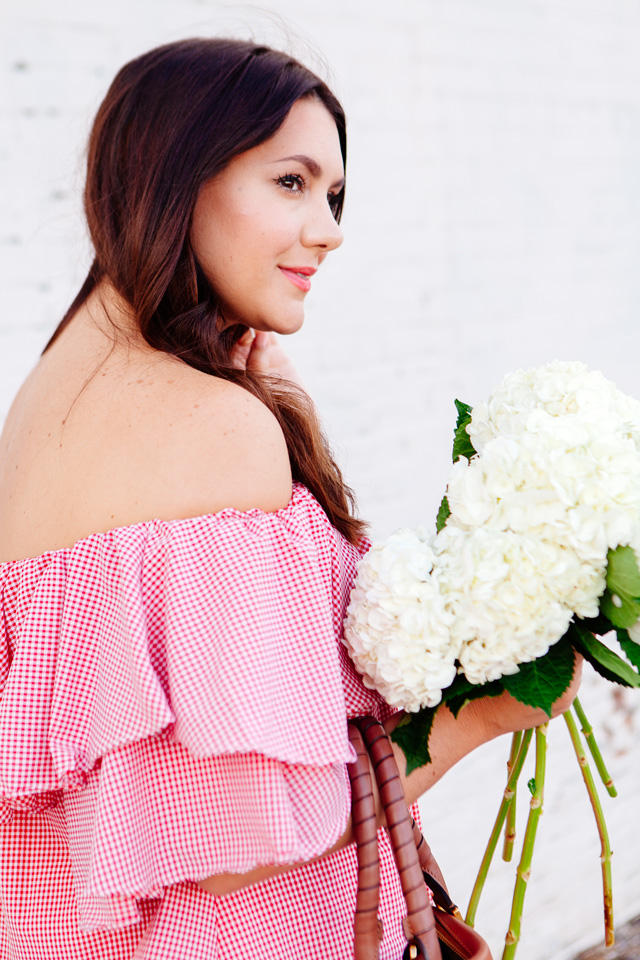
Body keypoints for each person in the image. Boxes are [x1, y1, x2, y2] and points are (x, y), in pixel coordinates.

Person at [0, 38, 580, 960]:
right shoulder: (207, 426)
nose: (329, 228)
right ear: (173, 175)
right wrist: (483, 717)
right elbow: (235, 847)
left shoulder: (47, 401)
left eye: (334, 194)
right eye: (290, 183)